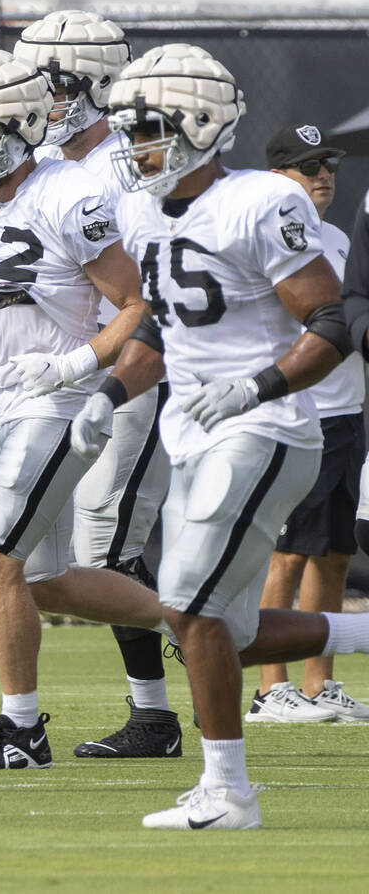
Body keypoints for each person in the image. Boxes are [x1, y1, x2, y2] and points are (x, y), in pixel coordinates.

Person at [71, 44, 369, 829]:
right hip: (194, 431)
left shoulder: (262, 201)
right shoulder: (140, 210)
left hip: (268, 426)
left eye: (148, 131)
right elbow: (162, 334)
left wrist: (256, 384)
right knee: (215, 628)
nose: (134, 149)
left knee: (188, 602)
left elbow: (331, 323)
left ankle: (229, 792)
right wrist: (107, 392)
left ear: (202, 126)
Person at [0, 48, 179, 772]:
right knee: (45, 579)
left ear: (21, 124)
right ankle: (188, 617)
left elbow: (135, 306)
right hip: (13, 396)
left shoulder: (69, 193)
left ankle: (22, 732)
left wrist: (77, 364)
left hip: (63, 397)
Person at [14, 10, 181, 758]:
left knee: (106, 546)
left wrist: (91, 363)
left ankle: (168, 695)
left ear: (99, 84)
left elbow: (151, 289)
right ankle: (166, 693)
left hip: (138, 370)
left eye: (50, 83)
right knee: (66, 561)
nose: (37, 99)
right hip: (72, 381)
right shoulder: (45, 168)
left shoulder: (129, 167)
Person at [247, 125, 369, 723]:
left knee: (334, 554)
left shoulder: (342, 237)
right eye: (308, 166)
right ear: (278, 175)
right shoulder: (264, 236)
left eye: (328, 166)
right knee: (287, 556)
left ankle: (319, 684)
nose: (323, 176)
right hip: (299, 415)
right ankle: (271, 689)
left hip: (347, 412)